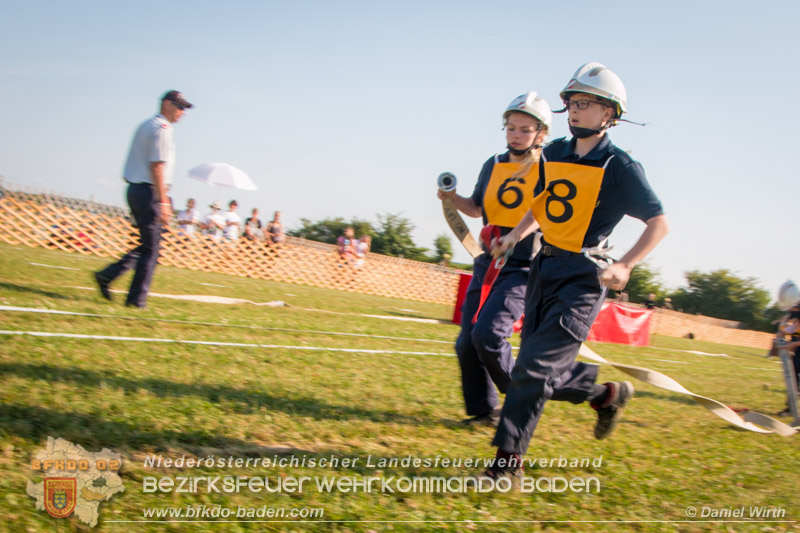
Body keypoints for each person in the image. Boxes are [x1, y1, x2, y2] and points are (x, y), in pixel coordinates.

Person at [485, 63, 669, 479]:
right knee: (534, 368)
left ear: (610, 114)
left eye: (585, 103)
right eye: (571, 102)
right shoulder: (551, 153)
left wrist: (625, 264)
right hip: (543, 265)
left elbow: (659, 223)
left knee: (532, 367)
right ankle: (605, 395)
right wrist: (515, 236)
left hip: (584, 277)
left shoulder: (620, 166)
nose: (573, 110)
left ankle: (505, 465)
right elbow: (543, 202)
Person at [437, 92, 551, 426]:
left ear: (540, 133)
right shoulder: (494, 164)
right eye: (511, 128)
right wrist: (451, 197)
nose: (515, 134)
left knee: (487, 335)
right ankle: (484, 412)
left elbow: (548, 212)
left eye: (524, 129)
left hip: (523, 266)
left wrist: (515, 236)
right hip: (488, 262)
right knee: (466, 342)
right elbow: (476, 207)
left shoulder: (548, 168)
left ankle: (520, 398)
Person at [94, 90, 192, 308]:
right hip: (150, 191)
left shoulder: (147, 125)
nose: (182, 112)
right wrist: (164, 201)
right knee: (151, 249)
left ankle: (108, 276)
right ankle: (135, 300)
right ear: (166, 104)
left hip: (136, 189)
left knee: (150, 246)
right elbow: (157, 166)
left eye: (184, 108)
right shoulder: (163, 129)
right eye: (179, 106)